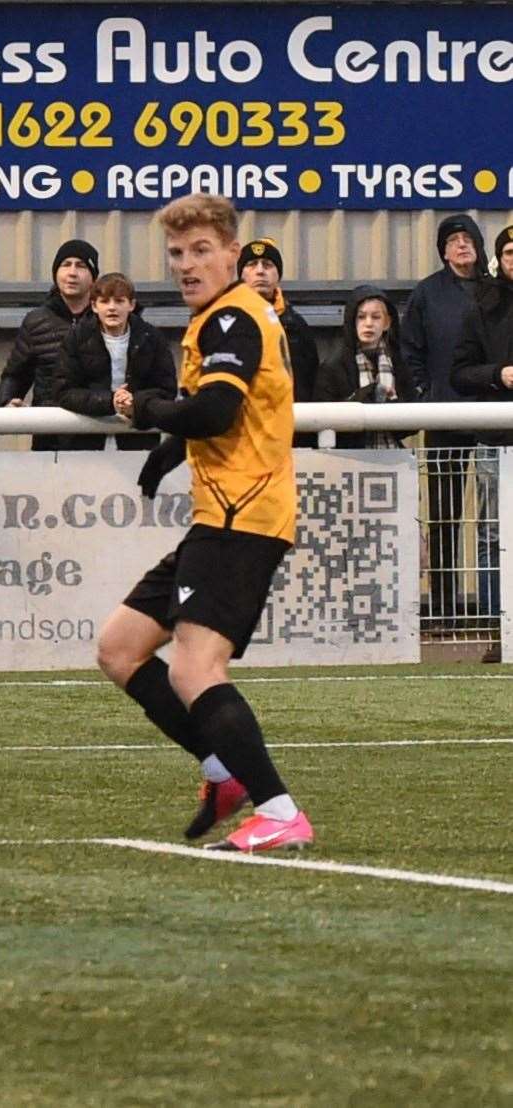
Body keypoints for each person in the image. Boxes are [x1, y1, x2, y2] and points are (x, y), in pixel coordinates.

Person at [96, 192, 313, 853]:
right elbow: (217, 411)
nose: (185, 265)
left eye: (199, 252)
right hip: (217, 516)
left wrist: (149, 410)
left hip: (242, 518)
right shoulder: (214, 320)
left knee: (194, 668)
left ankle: (277, 810)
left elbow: (215, 409)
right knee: (119, 647)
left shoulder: (231, 320)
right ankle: (223, 770)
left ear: (230, 254)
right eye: (175, 253)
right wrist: (168, 450)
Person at [403, 214, 488, 626]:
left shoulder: (497, 291)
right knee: (444, 515)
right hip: (444, 418)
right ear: (442, 250)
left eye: (467, 238)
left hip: (493, 419)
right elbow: (409, 352)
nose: (461, 245)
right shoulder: (427, 294)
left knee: (494, 518)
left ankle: (496, 610)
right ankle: (443, 609)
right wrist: (425, 395)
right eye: (452, 240)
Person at [449, 223, 513, 657]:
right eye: (510, 253)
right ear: (500, 259)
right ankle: (499, 627)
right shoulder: (481, 308)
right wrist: (498, 374)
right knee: (492, 533)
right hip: (496, 437)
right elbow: (459, 371)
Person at [51, 272, 177, 451]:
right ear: (94, 306)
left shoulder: (152, 338)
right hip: (85, 442)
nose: (112, 308)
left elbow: (167, 389)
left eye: (119, 301)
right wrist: (109, 401)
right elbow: (64, 391)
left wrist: (136, 403)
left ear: (131, 305)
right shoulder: (76, 339)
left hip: (138, 442)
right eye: (104, 301)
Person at [0, 238, 98, 451]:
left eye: (81, 266)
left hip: (99, 434)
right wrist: (6, 402)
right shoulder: (36, 321)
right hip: (49, 438)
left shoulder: (107, 319)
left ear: (93, 277)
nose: (72, 272)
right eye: (65, 264)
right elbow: (16, 374)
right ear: (55, 273)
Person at [238, 238, 320, 444]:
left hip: (289, 436)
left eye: (267, 265)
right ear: (241, 274)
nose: (260, 271)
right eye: (252, 264)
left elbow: (309, 383)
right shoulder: (225, 322)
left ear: (278, 275)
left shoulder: (296, 327)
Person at [313, 285, 415, 449]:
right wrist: (367, 395)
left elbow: (412, 426)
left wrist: (391, 404)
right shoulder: (333, 367)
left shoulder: (399, 363)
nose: (368, 324)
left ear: (387, 322)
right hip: (348, 460)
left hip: (393, 459)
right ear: (351, 322)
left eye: (376, 317)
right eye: (361, 317)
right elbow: (323, 419)